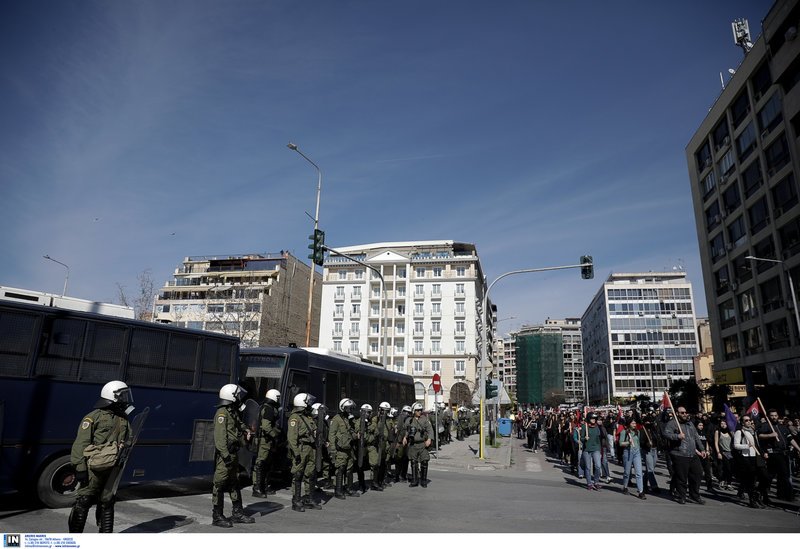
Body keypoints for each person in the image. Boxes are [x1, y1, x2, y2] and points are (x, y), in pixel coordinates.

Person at [68, 381, 134, 533]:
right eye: (122, 395)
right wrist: (80, 468)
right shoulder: (92, 418)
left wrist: (125, 446)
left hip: (113, 467)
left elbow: (129, 438)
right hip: (93, 468)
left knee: (107, 501)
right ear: (112, 396)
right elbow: (80, 444)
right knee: (84, 500)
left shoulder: (123, 418)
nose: (125, 398)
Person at [211, 384, 255, 527]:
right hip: (225, 457)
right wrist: (226, 456)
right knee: (219, 484)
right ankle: (217, 516)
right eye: (236, 395)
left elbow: (240, 424)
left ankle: (237, 514)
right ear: (231, 396)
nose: (239, 398)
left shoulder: (232, 411)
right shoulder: (222, 414)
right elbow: (220, 439)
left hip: (233, 453)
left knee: (234, 483)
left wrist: (247, 430)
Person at [662, 406, 706, 505]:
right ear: (677, 413)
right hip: (679, 454)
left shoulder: (690, 424)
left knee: (698, 474)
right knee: (682, 477)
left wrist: (702, 449)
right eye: (682, 413)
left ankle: (694, 495)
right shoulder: (672, 423)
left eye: (685, 412)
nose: (685, 414)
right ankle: (682, 496)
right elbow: (666, 434)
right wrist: (677, 436)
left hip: (692, 453)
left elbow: (696, 437)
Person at [287, 392, 320, 511]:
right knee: (297, 475)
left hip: (311, 448)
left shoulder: (308, 417)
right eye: (308, 402)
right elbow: (292, 438)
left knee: (310, 474)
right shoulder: (294, 418)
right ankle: (296, 501)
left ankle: (309, 499)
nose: (310, 404)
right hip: (301, 449)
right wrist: (296, 453)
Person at [758, 408, 800, 502]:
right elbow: (759, 436)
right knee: (784, 474)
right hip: (773, 454)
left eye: (775, 415)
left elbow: (790, 439)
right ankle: (789, 496)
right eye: (772, 415)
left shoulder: (782, 427)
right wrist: (770, 435)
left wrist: (799, 449)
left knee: (776, 475)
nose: (774, 417)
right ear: (768, 416)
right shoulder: (765, 426)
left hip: (784, 453)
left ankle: (779, 494)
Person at [734, 415, 770, 508]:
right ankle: (752, 500)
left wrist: (763, 453)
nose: (749, 422)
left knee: (765, 477)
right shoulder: (740, 432)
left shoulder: (754, 431)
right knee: (751, 480)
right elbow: (736, 445)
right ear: (742, 422)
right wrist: (746, 446)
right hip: (748, 457)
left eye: (750, 420)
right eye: (746, 420)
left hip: (758, 457)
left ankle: (757, 493)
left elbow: (758, 444)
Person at [252, 389, 281, 498]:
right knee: (261, 463)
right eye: (277, 398)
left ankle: (263, 486)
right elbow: (266, 426)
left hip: (266, 439)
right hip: (265, 440)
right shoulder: (268, 409)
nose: (278, 400)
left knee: (267, 464)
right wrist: (275, 435)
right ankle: (257, 488)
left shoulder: (265, 407)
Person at [329, 398, 359, 499]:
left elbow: (353, 431)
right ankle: (338, 491)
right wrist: (333, 449)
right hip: (340, 449)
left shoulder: (349, 419)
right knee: (340, 469)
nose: (349, 410)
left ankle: (348, 489)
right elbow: (332, 434)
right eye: (348, 408)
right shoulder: (336, 419)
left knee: (349, 469)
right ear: (342, 408)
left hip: (349, 448)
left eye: (350, 408)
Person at [404, 403, 433, 487]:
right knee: (413, 462)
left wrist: (429, 439)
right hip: (413, 444)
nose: (419, 412)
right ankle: (414, 480)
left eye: (420, 410)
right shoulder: (409, 420)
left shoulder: (425, 420)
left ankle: (423, 481)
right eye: (417, 410)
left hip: (422, 444)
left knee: (424, 461)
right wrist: (405, 437)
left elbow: (430, 430)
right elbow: (406, 430)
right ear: (413, 411)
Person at [619, 417, 646, 500]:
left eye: (635, 423)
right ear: (629, 424)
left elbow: (638, 442)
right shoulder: (624, 432)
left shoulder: (637, 432)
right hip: (628, 452)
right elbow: (620, 443)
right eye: (633, 423)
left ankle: (641, 491)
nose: (634, 425)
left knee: (639, 472)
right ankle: (625, 486)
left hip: (636, 452)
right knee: (627, 472)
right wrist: (628, 442)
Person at [367, 401, 391, 491]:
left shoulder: (388, 420)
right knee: (376, 464)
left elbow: (389, 431)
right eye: (383, 410)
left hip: (384, 445)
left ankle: (380, 481)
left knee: (383, 464)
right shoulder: (375, 419)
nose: (384, 413)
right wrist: (376, 431)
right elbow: (372, 428)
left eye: (386, 411)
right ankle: (374, 483)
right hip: (376, 445)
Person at [580, 412, 607, 491]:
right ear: (588, 419)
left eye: (594, 419)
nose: (593, 420)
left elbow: (600, 438)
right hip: (587, 450)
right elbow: (581, 439)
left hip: (596, 449)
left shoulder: (597, 427)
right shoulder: (584, 427)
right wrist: (585, 438)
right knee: (588, 467)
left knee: (598, 466)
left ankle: (596, 482)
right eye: (592, 418)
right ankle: (589, 483)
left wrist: (600, 451)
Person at [714, 417, 734, 491]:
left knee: (730, 469)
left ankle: (728, 483)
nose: (723, 425)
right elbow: (716, 442)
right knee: (726, 468)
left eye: (725, 423)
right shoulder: (718, 432)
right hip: (723, 452)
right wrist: (718, 452)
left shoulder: (730, 431)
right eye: (721, 423)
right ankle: (723, 482)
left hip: (731, 453)